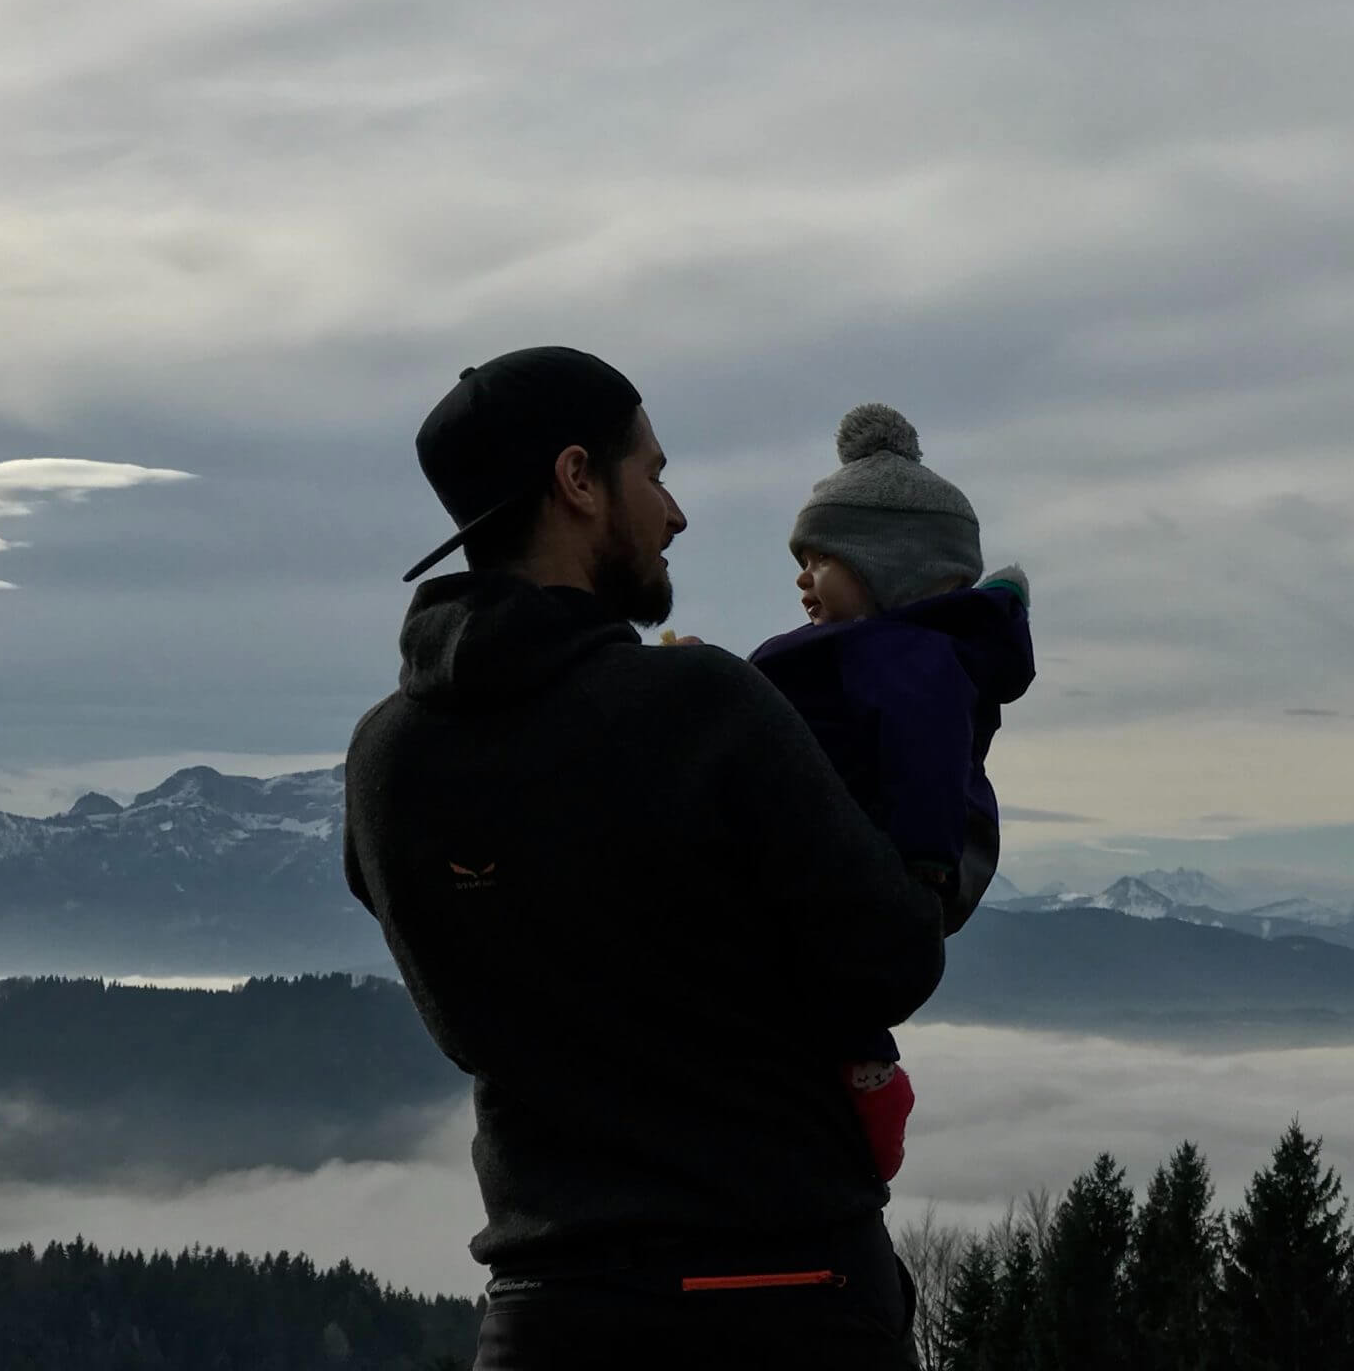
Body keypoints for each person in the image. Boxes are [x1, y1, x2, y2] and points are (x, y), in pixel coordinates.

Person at [343, 347, 941, 1369]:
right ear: (577, 481)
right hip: (781, 1297)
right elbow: (893, 954)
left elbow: (471, 1018)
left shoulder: (385, 760)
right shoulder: (700, 707)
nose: (675, 513)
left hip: (543, 1316)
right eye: (653, 474)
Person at [740, 402, 1035, 1185]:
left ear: (887, 566)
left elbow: (926, 760)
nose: (802, 579)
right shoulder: (867, 654)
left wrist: (924, 863)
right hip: (835, 866)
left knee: (833, 995)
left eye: (820, 559)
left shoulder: (909, 661)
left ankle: (871, 1087)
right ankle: (864, 1085)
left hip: (875, 867)